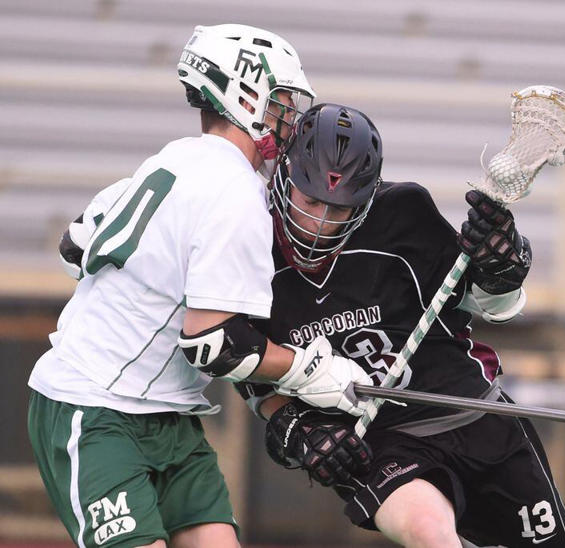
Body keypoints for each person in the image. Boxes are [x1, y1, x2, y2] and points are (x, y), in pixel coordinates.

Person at [28, 26, 371, 548]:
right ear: (246, 95)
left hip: (166, 414)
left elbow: (74, 244)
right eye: (282, 101)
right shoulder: (234, 191)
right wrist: (312, 371)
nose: (290, 117)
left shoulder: (175, 158)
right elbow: (215, 344)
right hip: (95, 407)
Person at [248, 103, 565, 547]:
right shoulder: (247, 245)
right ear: (285, 178)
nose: (320, 224)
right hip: (385, 443)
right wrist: (299, 432)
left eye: (340, 208)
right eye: (310, 202)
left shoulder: (402, 214)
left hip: (474, 412)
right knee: (431, 536)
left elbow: (493, 306)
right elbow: (249, 369)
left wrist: (503, 265)